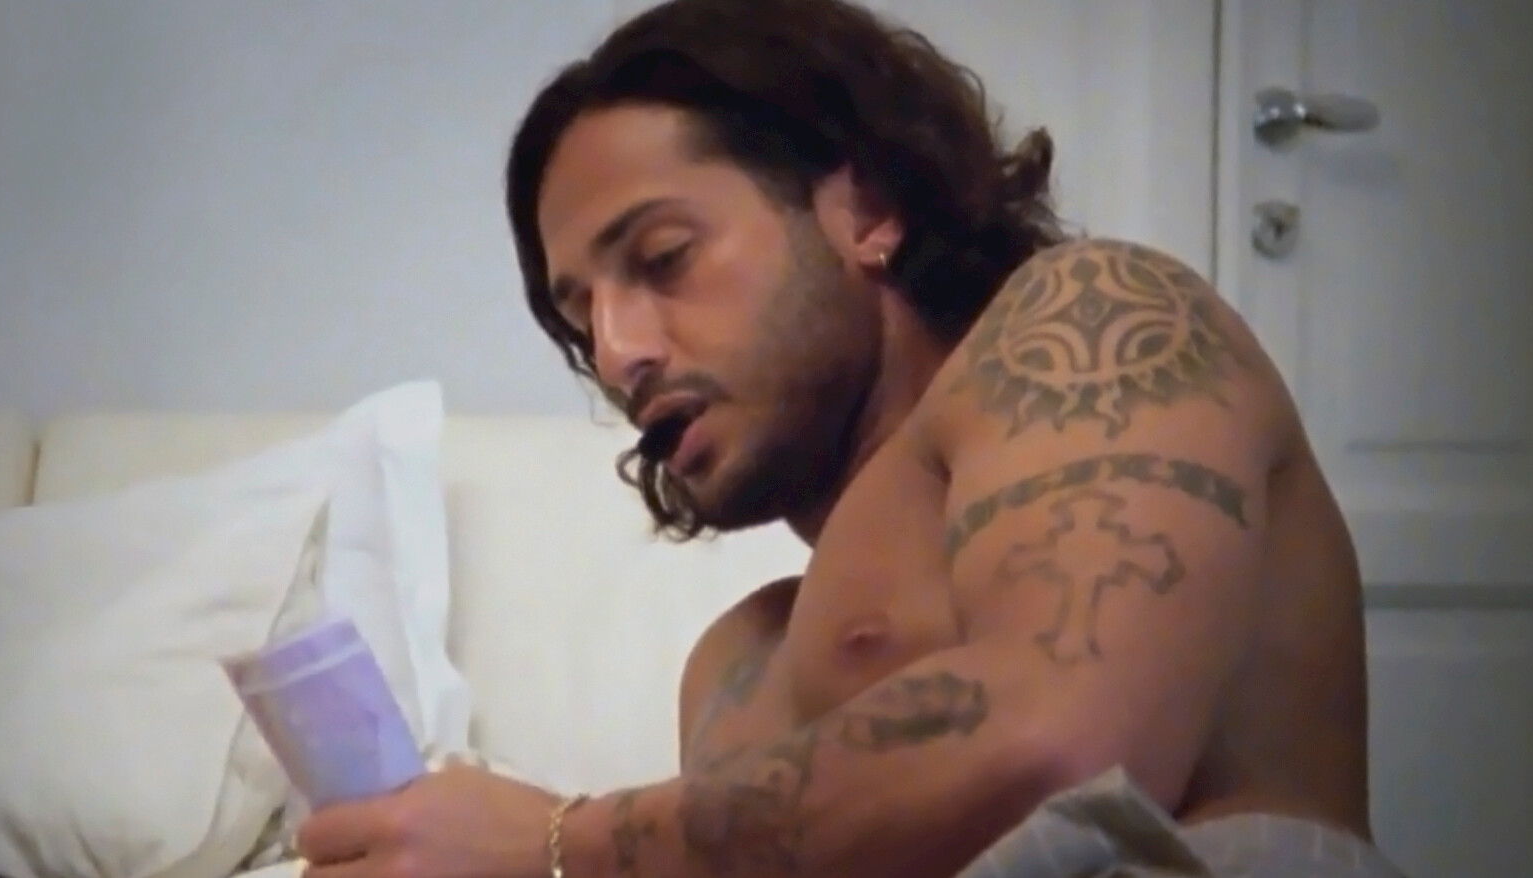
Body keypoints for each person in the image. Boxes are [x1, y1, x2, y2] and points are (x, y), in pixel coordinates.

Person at [295, 1, 1406, 876]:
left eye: (665, 258)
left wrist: (556, 844)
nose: (619, 351)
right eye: (580, 315)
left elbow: (1065, 751)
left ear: (865, 209)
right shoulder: (738, 668)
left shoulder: (1095, 320)